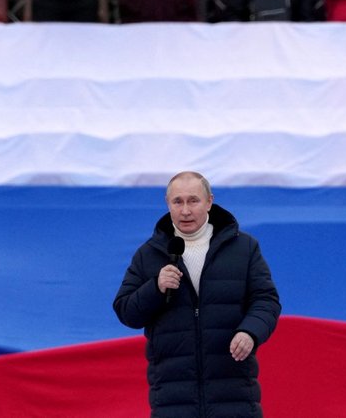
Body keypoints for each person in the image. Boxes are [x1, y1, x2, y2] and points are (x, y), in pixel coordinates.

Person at [113, 171, 281, 418]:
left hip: (233, 392)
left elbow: (266, 300)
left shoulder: (244, 248)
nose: (185, 210)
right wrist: (155, 288)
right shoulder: (148, 254)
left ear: (210, 201)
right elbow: (126, 311)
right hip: (172, 396)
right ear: (167, 204)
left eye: (193, 200)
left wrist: (250, 332)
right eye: (177, 202)